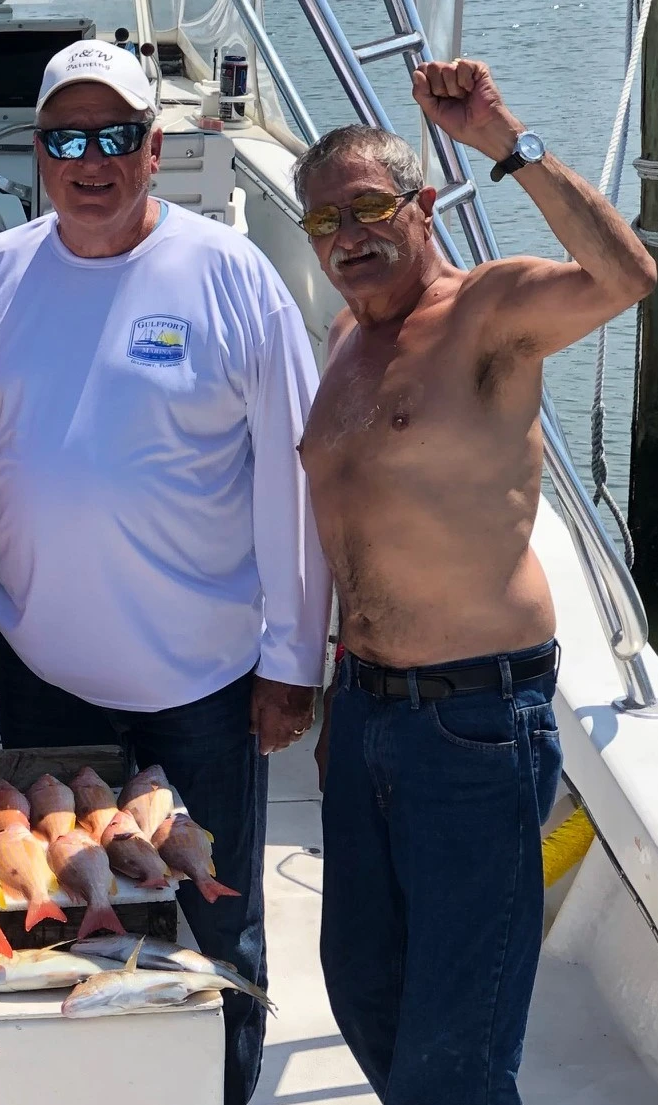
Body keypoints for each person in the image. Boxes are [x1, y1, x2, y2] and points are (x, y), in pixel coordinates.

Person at [0, 41, 330, 1105]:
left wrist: (294, 656)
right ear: (38, 153)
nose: (92, 160)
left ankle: (223, 1091)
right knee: (62, 915)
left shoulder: (233, 274)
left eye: (116, 137)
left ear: (157, 149)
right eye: (67, 138)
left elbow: (295, 475)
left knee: (214, 923)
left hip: (202, 684)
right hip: (42, 675)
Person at [296, 60, 655, 1105]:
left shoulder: (487, 311)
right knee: (362, 987)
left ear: (422, 206)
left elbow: (626, 276)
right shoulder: (345, 343)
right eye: (324, 221)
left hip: (475, 726)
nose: (347, 235)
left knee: (454, 1052)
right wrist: (335, 693)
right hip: (365, 713)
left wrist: (505, 137)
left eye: (370, 207)